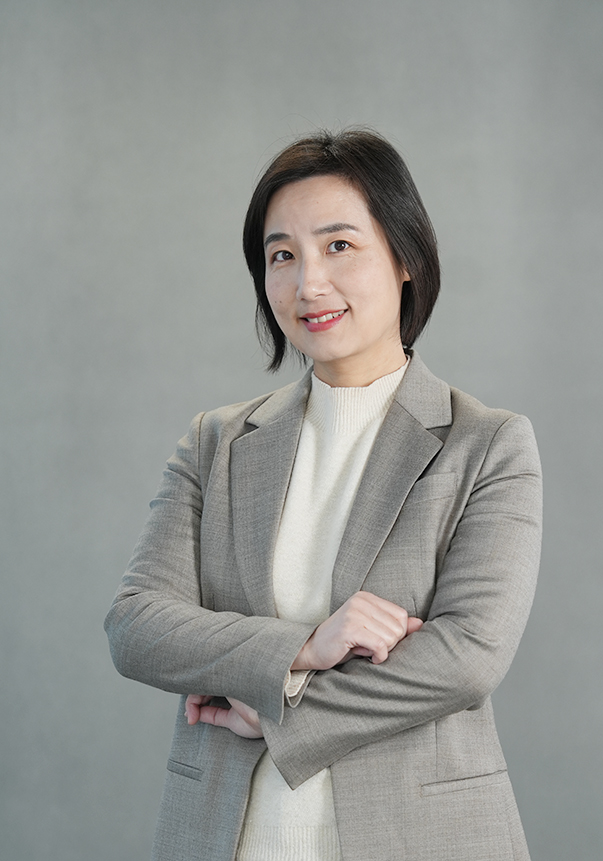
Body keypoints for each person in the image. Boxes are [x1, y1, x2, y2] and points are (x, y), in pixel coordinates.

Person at [105, 128, 542, 861]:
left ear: (405, 257)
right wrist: (304, 645)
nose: (308, 283)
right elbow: (136, 626)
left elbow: (467, 657)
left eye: (339, 245)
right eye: (282, 255)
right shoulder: (215, 443)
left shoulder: (487, 443)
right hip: (227, 836)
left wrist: (282, 708)